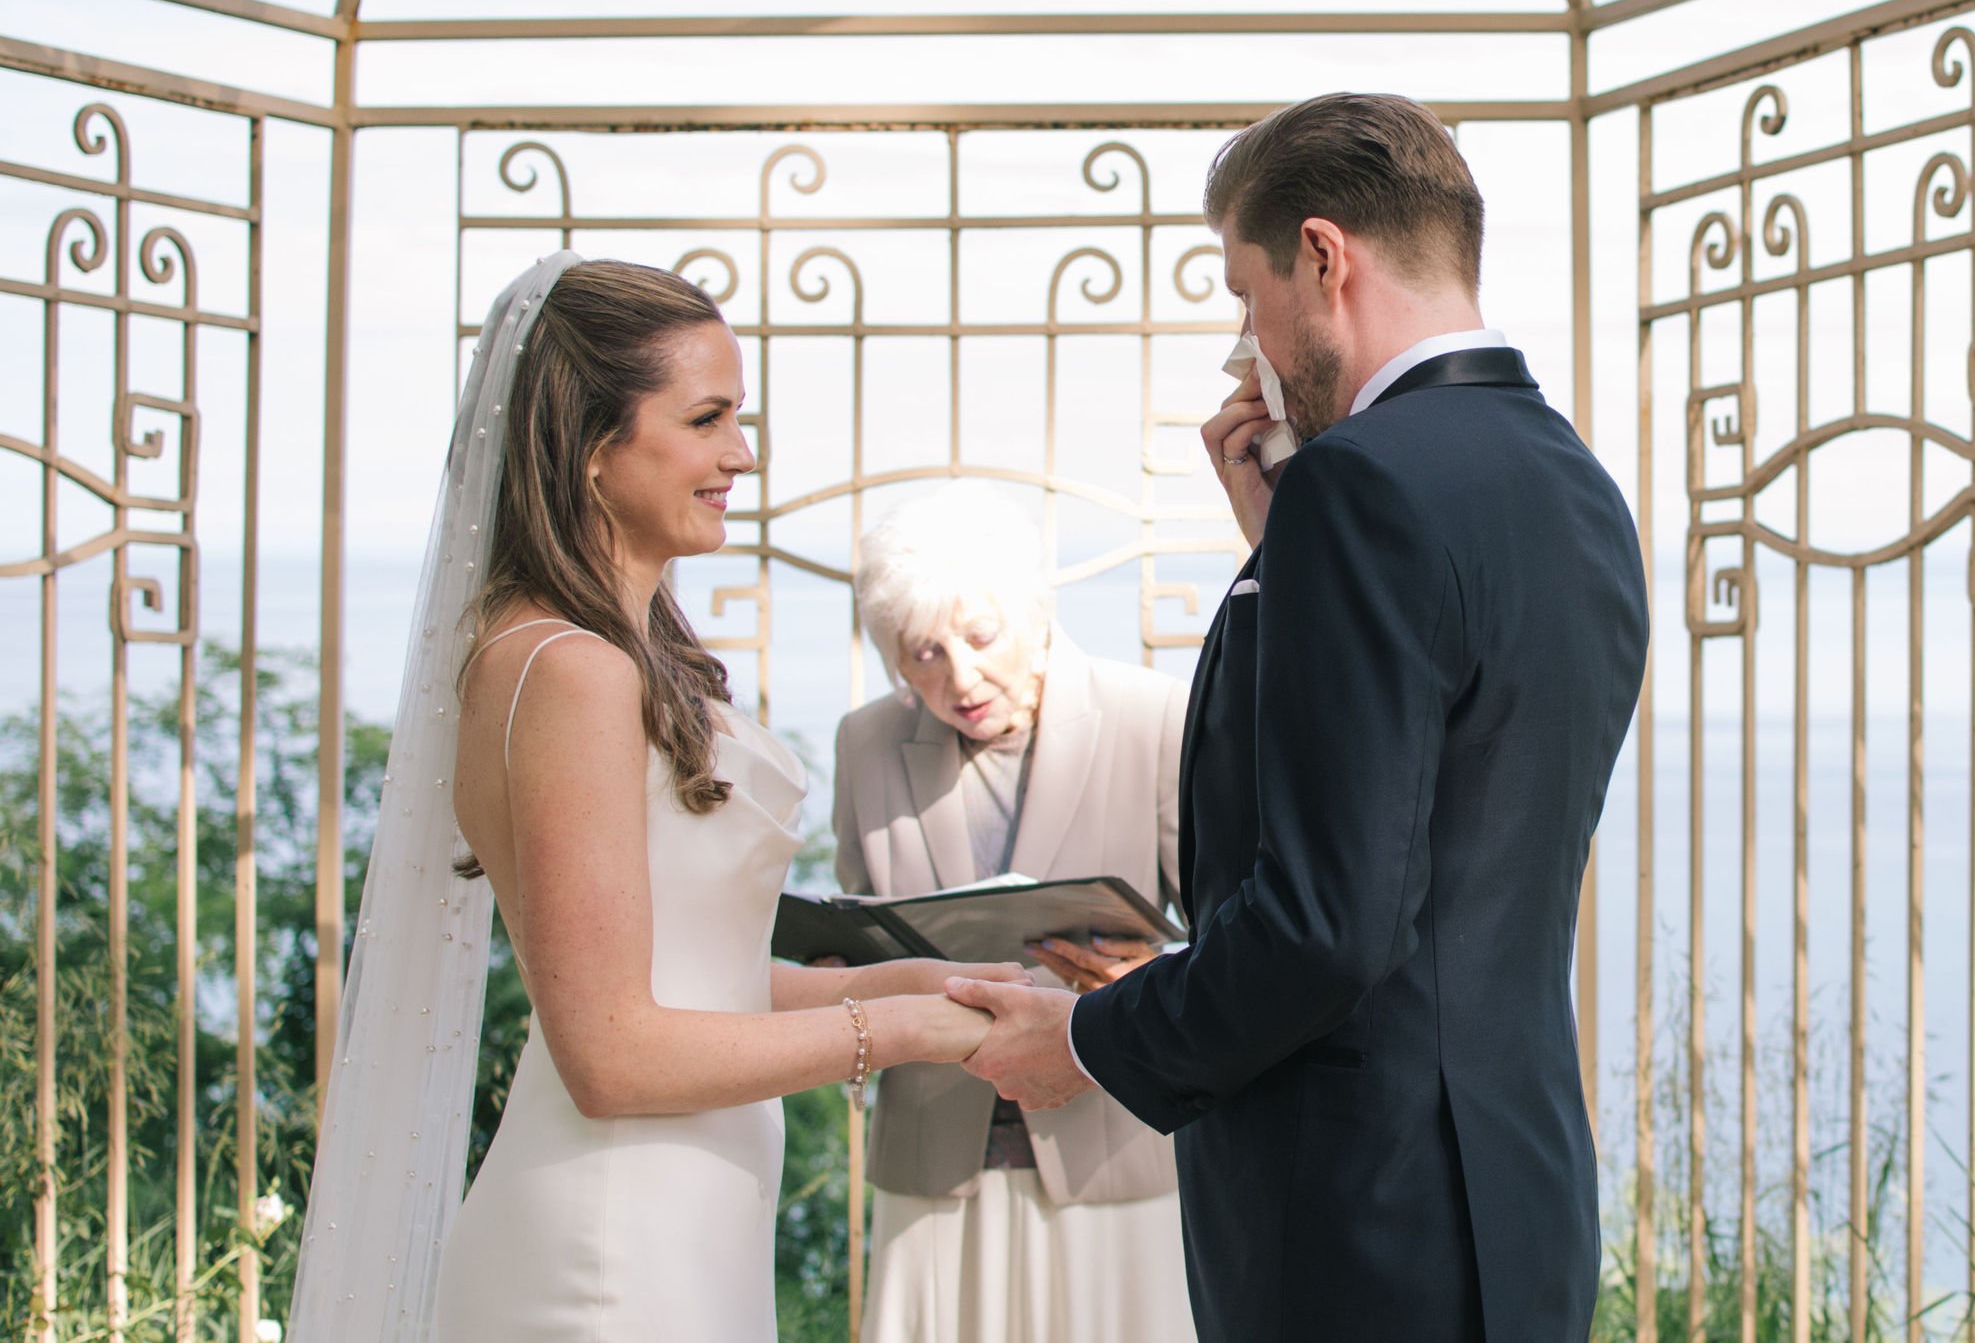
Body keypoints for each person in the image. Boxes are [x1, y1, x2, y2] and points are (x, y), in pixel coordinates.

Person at [948, 92, 1651, 1340]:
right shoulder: (1572, 483)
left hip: (1350, 1228)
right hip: (1515, 1204)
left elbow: (1329, 927)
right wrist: (1284, 559)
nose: (1249, 340)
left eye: (1243, 291)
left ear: (1322, 257)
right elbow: (1451, 796)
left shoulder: (1359, 482)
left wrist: (1093, 1042)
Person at [286, 254, 1021, 1343]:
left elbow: (686, 974)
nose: (742, 454)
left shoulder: (596, 652)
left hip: (684, 1220)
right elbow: (612, 1053)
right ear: (592, 449)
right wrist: (904, 1028)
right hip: (608, 1245)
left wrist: (917, 978)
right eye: (708, 419)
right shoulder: (571, 672)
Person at [829, 485, 1197, 1343]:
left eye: (981, 637)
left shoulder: (1149, 717)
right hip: (932, 1164)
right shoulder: (865, 743)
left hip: (1114, 1154)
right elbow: (860, 939)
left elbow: (1233, 936)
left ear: (1033, 613)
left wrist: (1150, 974)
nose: (957, 678)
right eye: (921, 654)